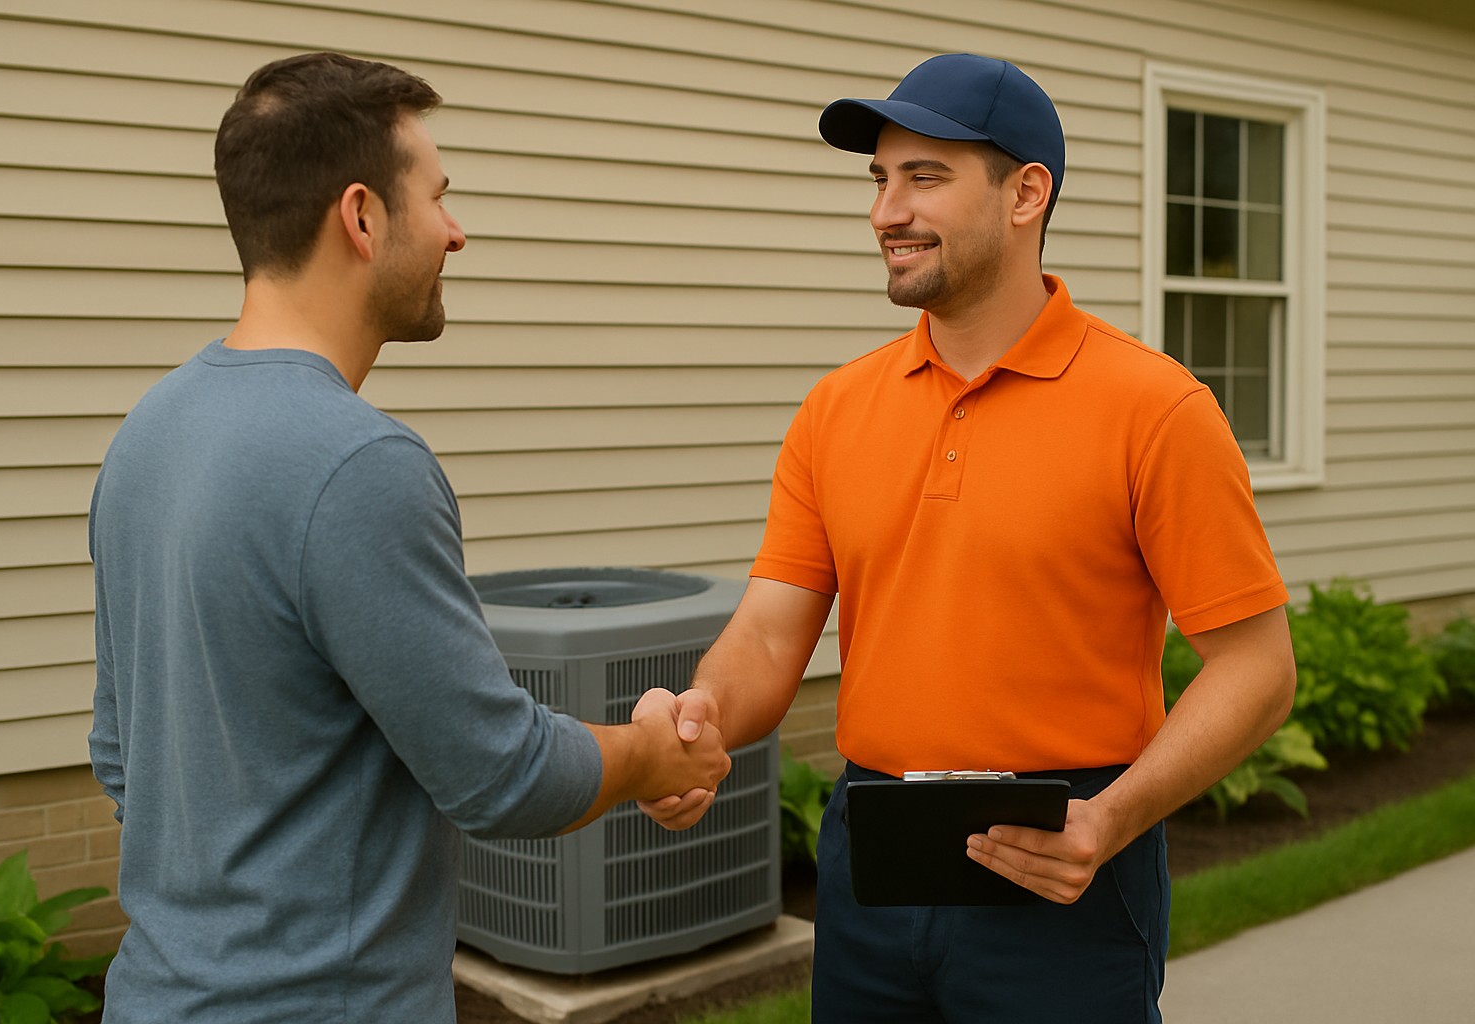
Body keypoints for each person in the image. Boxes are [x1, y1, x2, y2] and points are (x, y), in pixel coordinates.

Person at [642, 53, 1296, 1023]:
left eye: (926, 177)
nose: (885, 212)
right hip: (874, 867)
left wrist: (1109, 820)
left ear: (1027, 192)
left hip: (1065, 862)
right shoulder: (835, 409)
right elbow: (775, 629)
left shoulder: (1155, 409)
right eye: (880, 179)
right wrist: (700, 718)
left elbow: (1257, 667)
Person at [87, 52, 729, 1024]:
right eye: (438, 196)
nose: (456, 232)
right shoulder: (357, 464)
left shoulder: (147, 431)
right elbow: (499, 771)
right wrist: (650, 754)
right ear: (361, 216)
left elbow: (118, 753)